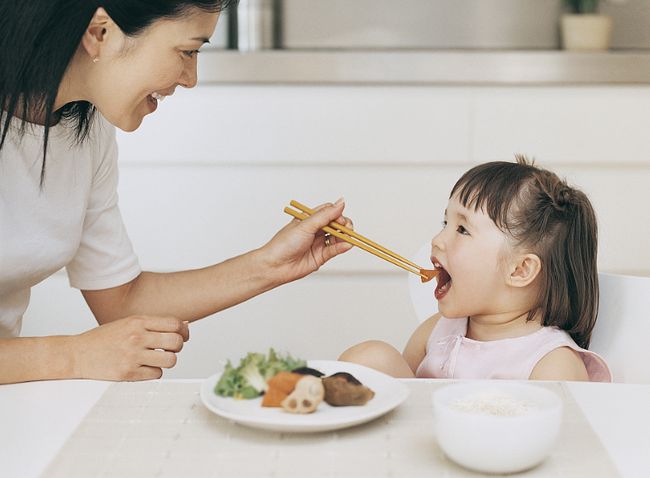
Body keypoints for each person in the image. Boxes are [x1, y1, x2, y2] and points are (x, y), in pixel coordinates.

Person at [0, 1, 353, 384]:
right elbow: (92, 342)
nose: (190, 78)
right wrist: (73, 356)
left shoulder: (87, 130)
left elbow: (122, 302)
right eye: (188, 51)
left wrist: (270, 265)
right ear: (100, 33)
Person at [340, 156, 611, 382]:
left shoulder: (552, 364)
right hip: (422, 441)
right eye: (444, 222)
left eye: (462, 229)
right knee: (370, 358)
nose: (437, 240)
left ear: (520, 270)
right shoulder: (436, 331)